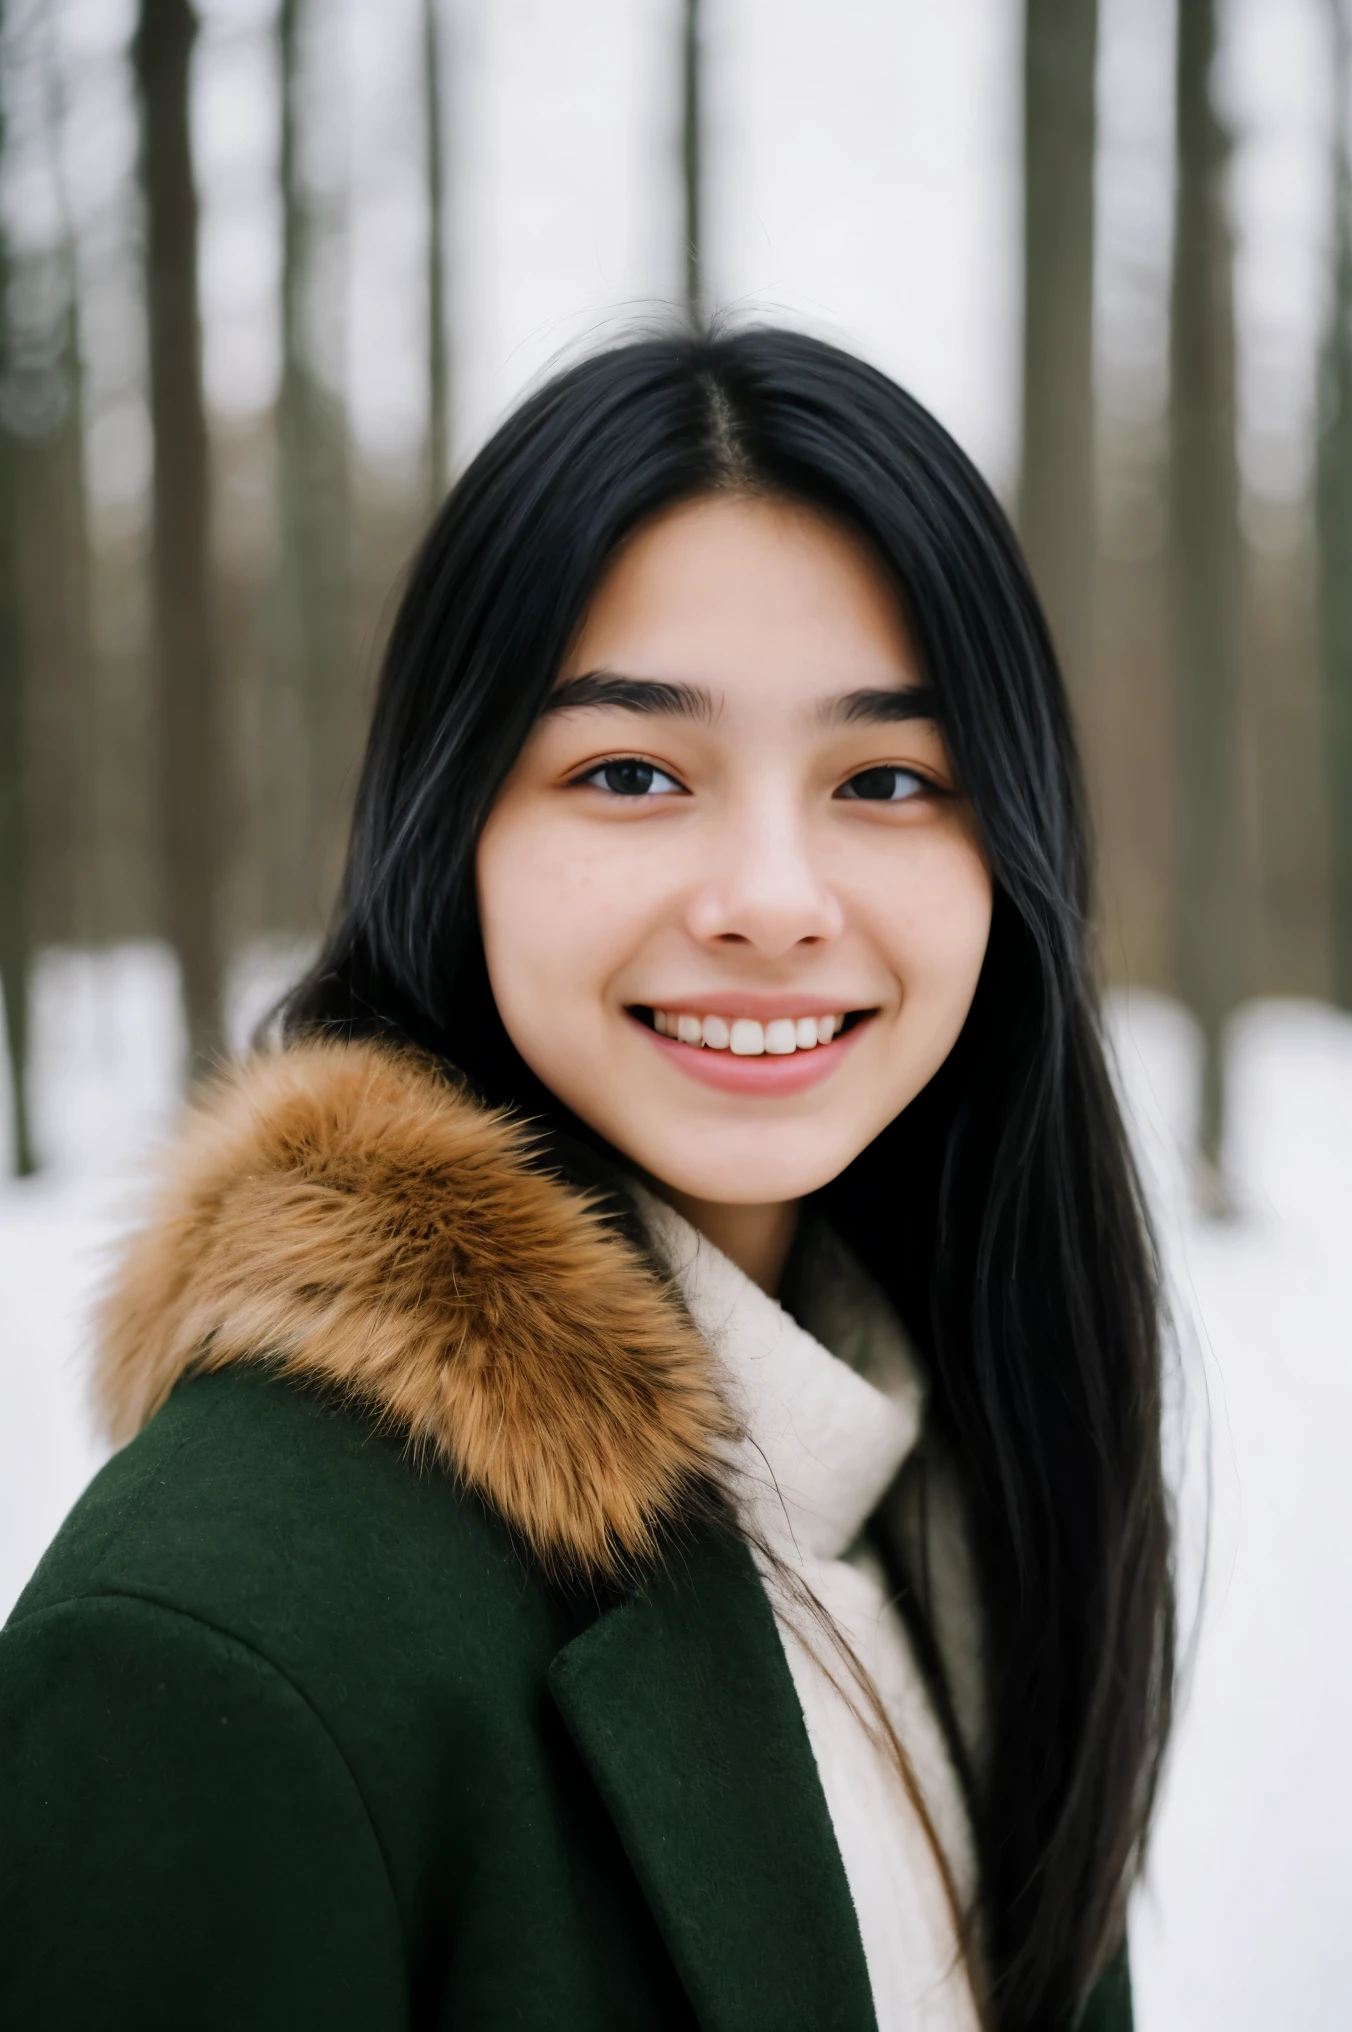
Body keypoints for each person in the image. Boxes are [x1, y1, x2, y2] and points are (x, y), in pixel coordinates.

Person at [0, 328, 1171, 2031]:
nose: (772, 900)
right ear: (448, 821)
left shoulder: (951, 1468)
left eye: (888, 778)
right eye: (630, 772)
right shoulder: (208, 1646)